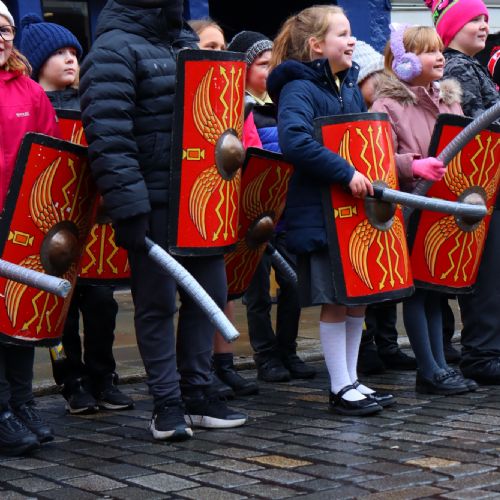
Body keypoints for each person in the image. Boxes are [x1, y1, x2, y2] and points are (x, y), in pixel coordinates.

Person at [79, 0, 247, 442]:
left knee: (207, 295)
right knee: (157, 304)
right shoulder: (113, 49)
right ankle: (166, 404)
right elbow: (109, 134)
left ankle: (197, 393)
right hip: (152, 199)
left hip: (200, 195)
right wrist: (129, 206)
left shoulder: (185, 43)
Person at [267, 5, 394, 416]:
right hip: (320, 209)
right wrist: (345, 172)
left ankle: (353, 379)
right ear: (316, 45)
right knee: (336, 300)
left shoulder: (348, 85)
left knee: (358, 298)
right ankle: (339, 387)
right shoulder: (298, 88)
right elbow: (296, 141)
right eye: (342, 34)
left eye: (350, 32)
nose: (352, 40)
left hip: (351, 210)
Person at [20, 14, 134, 415]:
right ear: (36, 61)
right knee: (58, 309)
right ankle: (72, 381)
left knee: (102, 303)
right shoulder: (32, 106)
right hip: (48, 223)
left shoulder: (93, 105)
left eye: (74, 53)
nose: (71, 60)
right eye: (59, 53)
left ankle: (105, 376)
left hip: (96, 224)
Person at [371, 23, 476, 395]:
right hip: (412, 205)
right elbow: (378, 155)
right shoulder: (387, 103)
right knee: (416, 291)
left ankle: (441, 365)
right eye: (430, 51)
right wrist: (412, 164)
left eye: (439, 50)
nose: (440, 57)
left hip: (444, 205)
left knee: (435, 289)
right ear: (404, 61)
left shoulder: (449, 99)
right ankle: (428, 369)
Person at [228, 30, 316, 383]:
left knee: (294, 285)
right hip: (253, 213)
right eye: (262, 65)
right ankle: (266, 355)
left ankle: (288, 349)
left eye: (272, 63)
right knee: (258, 291)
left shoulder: (285, 104)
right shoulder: (239, 108)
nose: (269, 70)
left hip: (287, 211)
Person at [426, 0, 500, 384]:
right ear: (452, 30)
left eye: (486, 18)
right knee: (485, 274)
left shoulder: (471, 68)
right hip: (476, 187)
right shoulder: (458, 68)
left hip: (486, 186)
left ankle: (485, 349)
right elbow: (473, 131)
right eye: (474, 19)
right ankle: (482, 354)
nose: (484, 25)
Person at [187, 18, 259, 398]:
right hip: (192, 204)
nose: (217, 54)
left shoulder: (236, 97)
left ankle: (224, 364)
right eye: (209, 47)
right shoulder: (183, 90)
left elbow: (246, 147)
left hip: (226, 198)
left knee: (224, 288)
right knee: (191, 293)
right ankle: (197, 371)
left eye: (221, 47)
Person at [0, 1, 59, 455]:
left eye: (6, 29)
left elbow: (51, 155)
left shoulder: (29, 91)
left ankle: (21, 402)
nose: (1, 37)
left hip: (18, 221)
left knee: (17, 317)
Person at [352, 40, 417, 376]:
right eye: (373, 78)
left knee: (389, 274)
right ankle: (366, 345)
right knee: (366, 276)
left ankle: (388, 343)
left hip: (388, 202)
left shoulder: (385, 111)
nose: (380, 84)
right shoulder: (352, 112)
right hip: (362, 203)